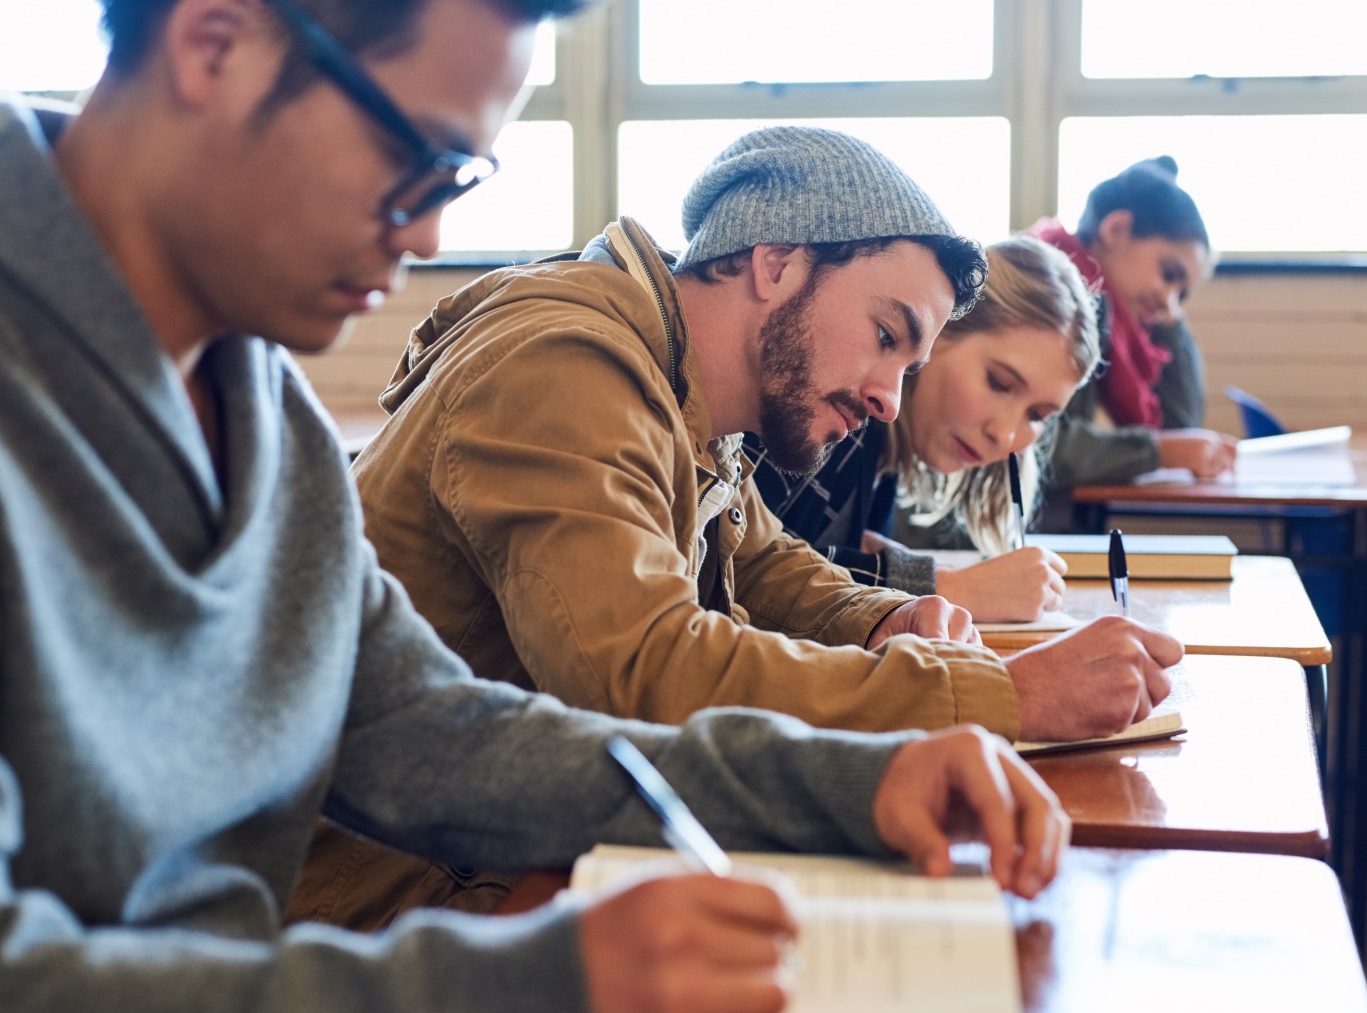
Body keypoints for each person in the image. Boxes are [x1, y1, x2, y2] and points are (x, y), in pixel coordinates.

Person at [0, 2, 1073, 1012]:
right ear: (217, 41)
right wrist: (530, 980)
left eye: (454, 182)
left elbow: (429, 733)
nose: (424, 236)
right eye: (411, 160)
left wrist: (850, 782)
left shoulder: (259, 407)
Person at [303, 126, 1179, 928]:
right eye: (886, 334)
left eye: (910, 364)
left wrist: (887, 618)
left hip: (514, 851)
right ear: (777, 261)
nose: (889, 398)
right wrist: (1000, 696)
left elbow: (765, 563)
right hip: (397, 900)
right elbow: (644, 670)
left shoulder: (688, 391)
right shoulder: (564, 364)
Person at [749, 234, 1098, 623]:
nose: (1006, 436)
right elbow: (737, 567)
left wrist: (887, 561)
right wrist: (951, 588)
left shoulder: (883, 459)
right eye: (999, 383)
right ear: (938, 329)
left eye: (1036, 415)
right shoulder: (838, 410)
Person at [1029, 157, 1239, 528]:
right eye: (1169, 273)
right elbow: (1039, 445)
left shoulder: (1112, 320)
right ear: (1116, 229)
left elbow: (1180, 427)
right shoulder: (1050, 292)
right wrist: (1156, 451)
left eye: (1182, 295)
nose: (1168, 301)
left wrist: (1172, 323)